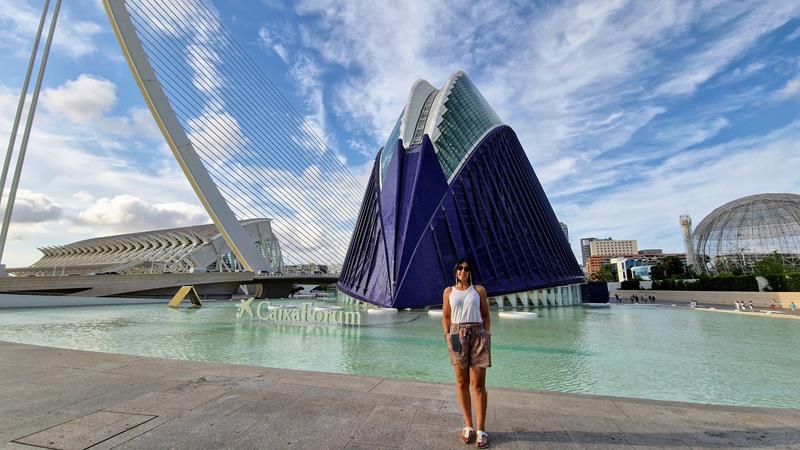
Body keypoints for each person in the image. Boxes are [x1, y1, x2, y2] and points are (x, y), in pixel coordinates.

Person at [443, 259, 491, 448]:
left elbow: (486, 315)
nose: (463, 271)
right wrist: (447, 335)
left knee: (478, 384)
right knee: (461, 382)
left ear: (470, 272)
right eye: (460, 268)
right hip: (456, 335)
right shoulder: (448, 291)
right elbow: (446, 316)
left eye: (467, 269)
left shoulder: (479, 290)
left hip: (478, 334)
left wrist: (487, 334)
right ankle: (468, 426)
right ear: (455, 271)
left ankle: (481, 429)